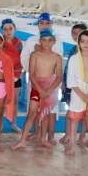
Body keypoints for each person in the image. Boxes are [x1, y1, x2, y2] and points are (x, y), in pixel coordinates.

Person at [12, 29, 63, 150]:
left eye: (50, 40)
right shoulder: (34, 55)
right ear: (40, 41)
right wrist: (40, 90)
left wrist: (49, 90)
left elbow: (59, 77)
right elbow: (32, 74)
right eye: (44, 40)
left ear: (54, 42)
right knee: (32, 114)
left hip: (50, 90)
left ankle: (43, 139)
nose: (47, 43)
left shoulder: (57, 57)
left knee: (45, 114)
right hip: (36, 88)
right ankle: (22, 140)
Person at [20, 12, 65, 143]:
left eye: (47, 23)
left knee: (51, 109)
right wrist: (33, 71)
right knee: (34, 109)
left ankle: (50, 135)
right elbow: (24, 58)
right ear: (38, 24)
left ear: (52, 24)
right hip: (36, 81)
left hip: (51, 83)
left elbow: (58, 60)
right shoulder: (31, 40)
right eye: (42, 23)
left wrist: (40, 49)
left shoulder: (57, 41)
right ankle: (36, 132)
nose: (44, 25)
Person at [59, 23, 88, 147]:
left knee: (85, 113)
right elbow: (67, 69)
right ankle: (68, 134)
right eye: (74, 33)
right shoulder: (72, 50)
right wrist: (64, 82)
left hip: (84, 86)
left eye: (79, 33)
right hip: (70, 86)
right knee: (70, 111)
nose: (76, 36)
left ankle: (82, 135)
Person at [0, 18, 24, 132]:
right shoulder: (0, 43)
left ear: (15, 29)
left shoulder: (19, 43)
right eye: (5, 29)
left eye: (10, 28)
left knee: (14, 101)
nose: (8, 31)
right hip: (3, 76)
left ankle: (14, 124)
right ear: (2, 31)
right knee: (1, 101)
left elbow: (22, 59)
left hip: (16, 75)